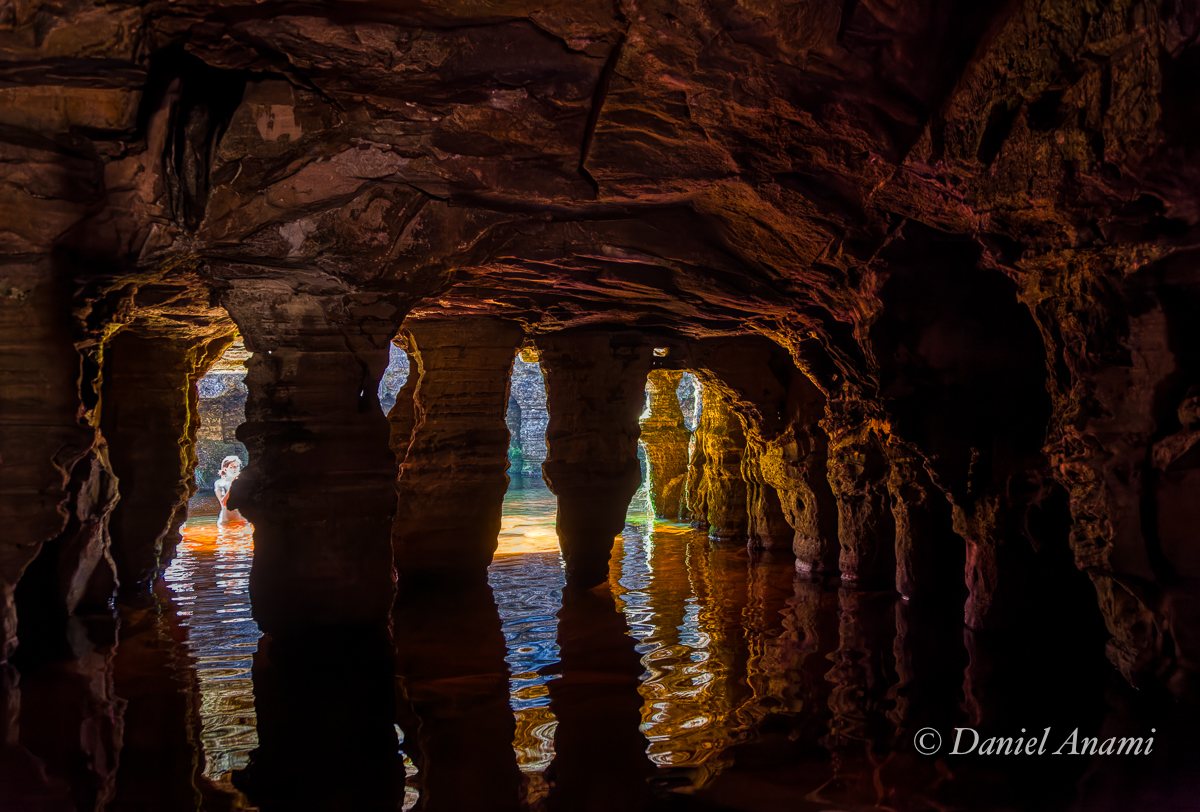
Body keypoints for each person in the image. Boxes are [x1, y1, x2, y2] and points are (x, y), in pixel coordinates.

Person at [214, 455, 245, 524]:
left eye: (237, 466)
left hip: (242, 521)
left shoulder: (243, 483)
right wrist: (233, 484)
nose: (235, 469)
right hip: (226, 521)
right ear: (225, 469)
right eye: (232, 467)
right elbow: (224, 503)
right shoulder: (220, 483)